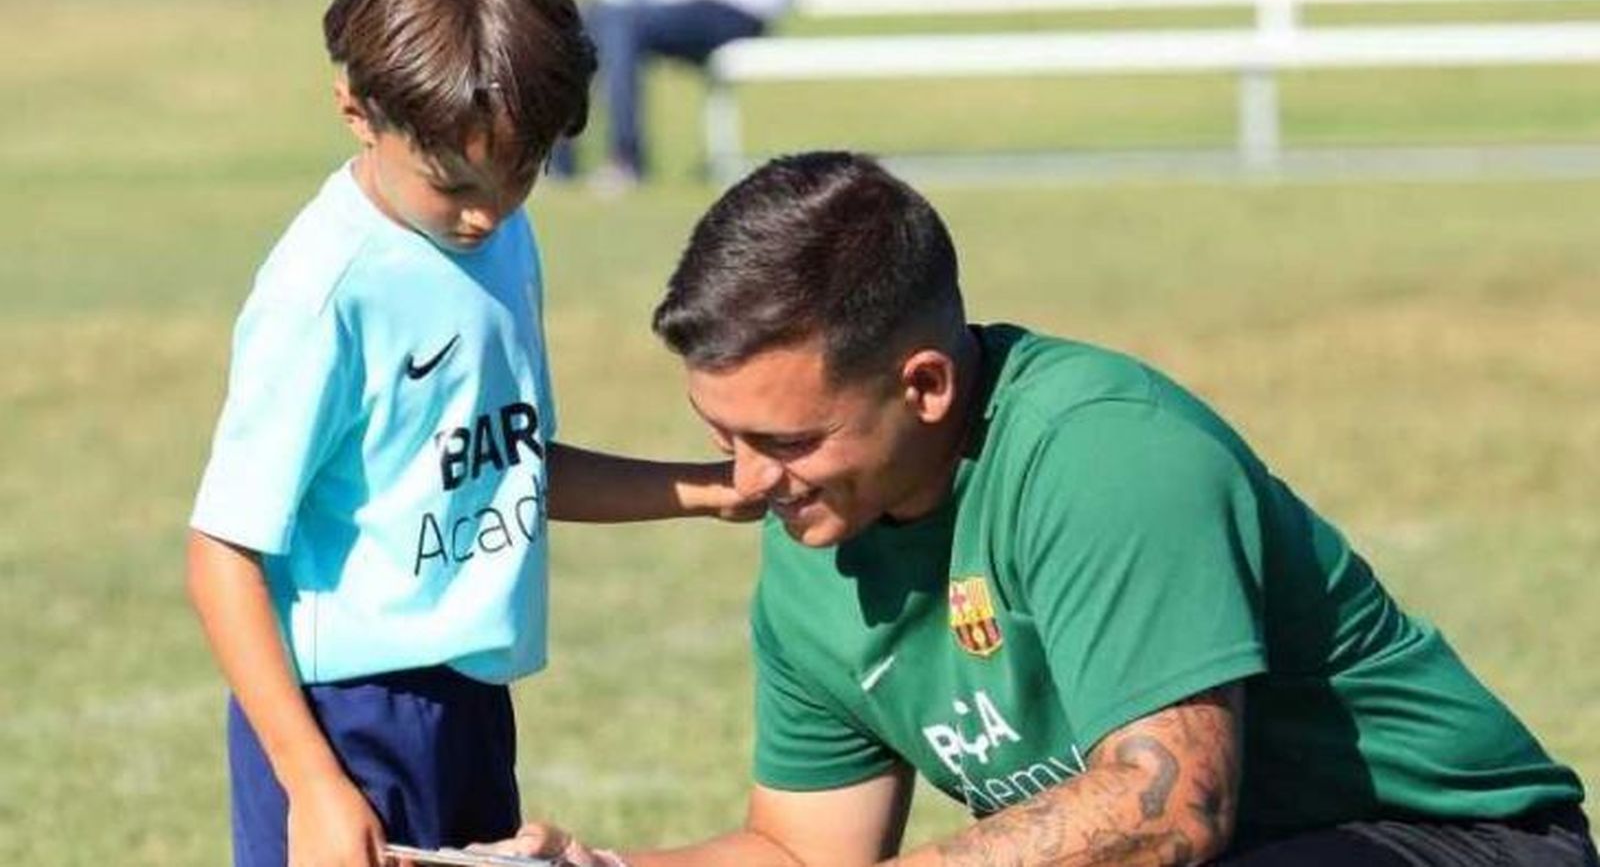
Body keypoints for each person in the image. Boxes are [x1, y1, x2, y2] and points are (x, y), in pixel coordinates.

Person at [482, 151, 1597, 867]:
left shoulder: (1102, 451)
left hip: (1452, 843)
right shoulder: (815, 534)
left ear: (925, 385)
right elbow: (799, 848)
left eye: (785, 441)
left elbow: (1166, 812)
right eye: (723, 434)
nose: (746, 481)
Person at [185, 0, 754, 866]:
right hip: (344, 714)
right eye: (454, 186)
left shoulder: (498, 237)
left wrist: (710, 489)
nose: (487, 215)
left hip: (469, 700)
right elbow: (221, 555)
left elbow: (508, 464)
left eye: (520, 175)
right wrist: (314, 781)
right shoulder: (327, 292)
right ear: (357, 113)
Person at [551, 0, 791, 186]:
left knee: (620, 23)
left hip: (736, 8)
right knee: (585, 19)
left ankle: (626, 159)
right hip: (688, 4)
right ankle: (558, 162)